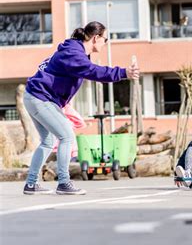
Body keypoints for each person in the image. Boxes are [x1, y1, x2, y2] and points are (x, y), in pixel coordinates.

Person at [23, 21, 140, 195]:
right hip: (41, 98)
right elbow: (94, 72)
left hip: (35, 96)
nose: (105, 43)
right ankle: (64, 183)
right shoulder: (74, 53)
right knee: (67, 137)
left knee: (48, 142)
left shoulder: (75, 52)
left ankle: (31, 184)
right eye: (105, 39)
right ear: (96, 38)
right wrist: (123, 73)